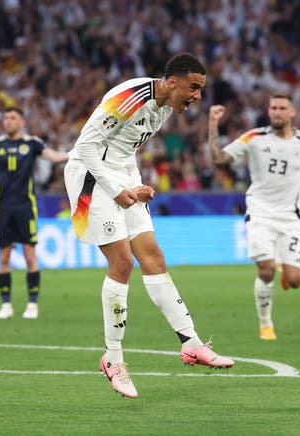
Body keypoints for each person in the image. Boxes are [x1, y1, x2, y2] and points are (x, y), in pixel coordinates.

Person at [63, 53, 234, 400]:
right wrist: (118, 190)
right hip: (90, 179)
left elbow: (125, 148)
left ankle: (191, 344)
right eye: (194, 87)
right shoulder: (128, 98)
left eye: (201, 89)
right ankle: (113, 359)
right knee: (123, 263)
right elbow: (86, 148)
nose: (198, 96)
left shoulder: (166, 107)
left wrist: (135, 183)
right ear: (172, 82)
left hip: (123, 175)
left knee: (153, 257)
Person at [208, 95, 300, 341]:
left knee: (295, 281)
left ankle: (286, 270)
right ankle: (266, 325)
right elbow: (219, 158)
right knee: (266, 269)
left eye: (282, 108)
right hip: (260, 213)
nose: (277, 112)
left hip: (291, 217)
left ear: (292, 112)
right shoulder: (253, 138)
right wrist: (212, 123)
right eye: (273, 108)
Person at [0, 107, 69, 320]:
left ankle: (32, 304)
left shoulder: (32, 143)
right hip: (3, 208)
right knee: (4, 256)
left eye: (12, 118)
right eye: (5, 117)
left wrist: (72, 154)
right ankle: (6, 305)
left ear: (22, 122)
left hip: (25, 207)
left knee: (29, 255)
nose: (7, 121)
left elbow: (53, 157)